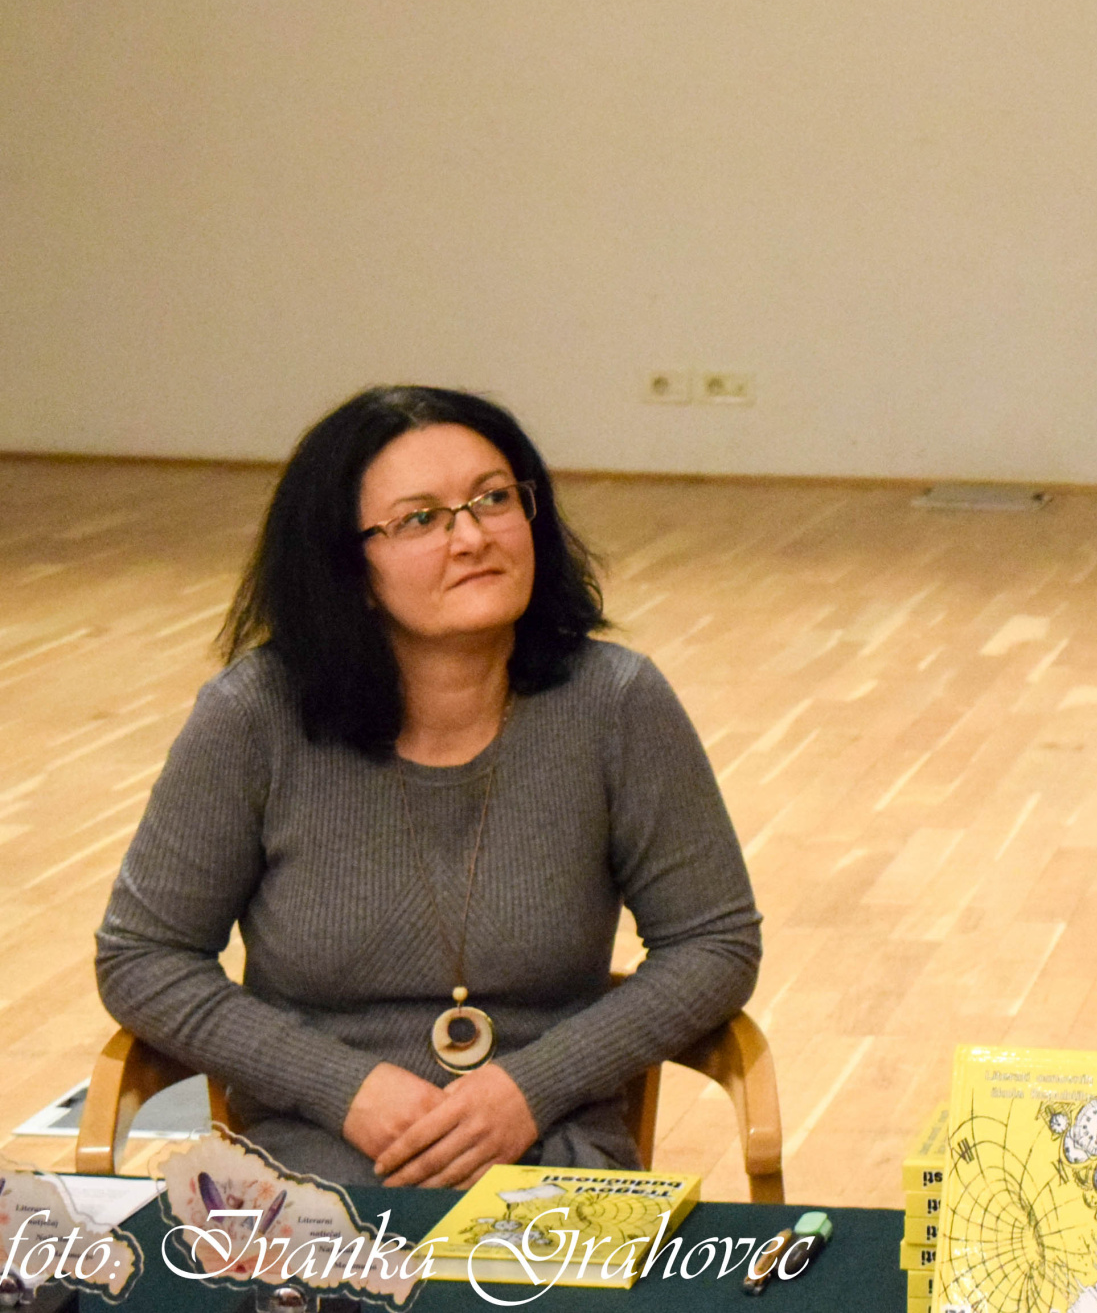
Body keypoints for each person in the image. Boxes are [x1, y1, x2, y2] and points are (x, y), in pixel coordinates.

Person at [97, 385, 761, 1189]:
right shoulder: (254, 716)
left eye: (494, 499)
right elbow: (143, 956)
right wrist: (342, 1087)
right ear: (347, 568)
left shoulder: (614, 702)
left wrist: (532, 1087)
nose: (473, 536)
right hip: (312, 1169)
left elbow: (714, 942)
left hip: (550, 1157)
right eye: (420, 519)